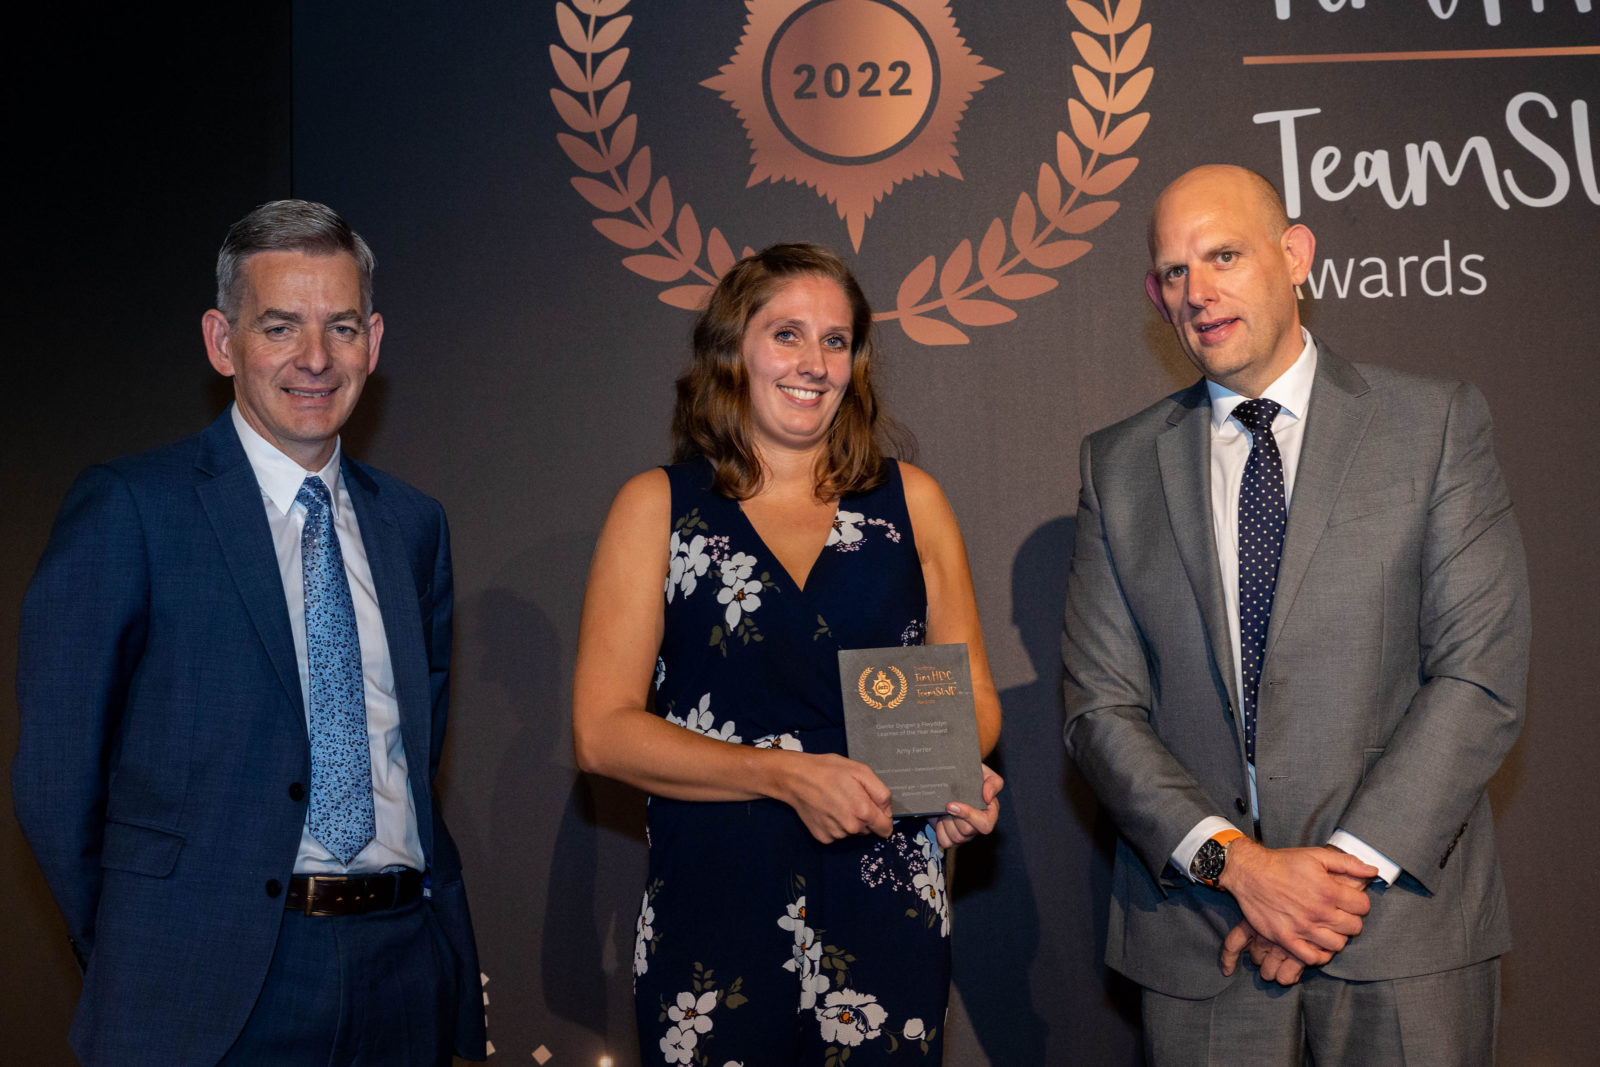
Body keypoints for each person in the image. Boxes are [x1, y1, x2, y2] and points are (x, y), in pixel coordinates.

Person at [1062, 165, 1529, 1064]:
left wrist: (1325, 887)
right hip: (1205, 937)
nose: (1197, 293)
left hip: (1401, 937)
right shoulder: (1116, 467)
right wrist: (1240, 868)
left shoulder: (1433, 425)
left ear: (1296, 255)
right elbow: (1098, 711)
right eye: (1172, 273)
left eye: (1223, 256)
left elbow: (1479, 675)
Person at [13, 200, 486, 1065]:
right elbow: (55, 776)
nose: (315, 357)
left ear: (373, 343)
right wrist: (141, 951)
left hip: (401, 977)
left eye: (341, 327)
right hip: (207, 991)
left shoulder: (415, 526)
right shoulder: (132, 509)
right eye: (280, 326)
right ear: (222, 341)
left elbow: (419, 755)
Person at [573, 243, 1004, 1064]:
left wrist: (949, 771)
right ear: (734, 348)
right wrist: (781, 773)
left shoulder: (911, 502)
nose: (814, 363)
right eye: (787, 335)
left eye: (835, 341)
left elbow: (975, 696)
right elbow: (601, 731)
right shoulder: (657, 508)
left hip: (883, 911)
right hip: (716, 913)